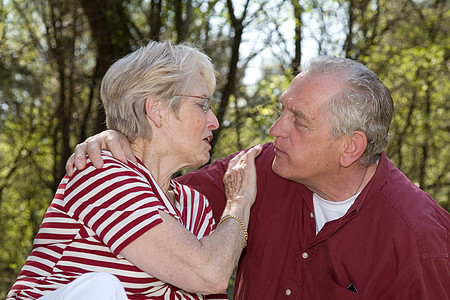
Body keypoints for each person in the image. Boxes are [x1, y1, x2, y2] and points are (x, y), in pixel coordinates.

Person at [65, 56, 450, 299]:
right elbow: (154, 196)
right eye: (282, 110)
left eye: (297, 121)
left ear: (349, 147)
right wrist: (123, 140)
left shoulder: (419, 242)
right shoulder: (262, 168)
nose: (274, 128)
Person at [7, 40, 263, 300]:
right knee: (102, 289)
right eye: (202, 105)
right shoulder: (100, 173)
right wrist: (239, 202)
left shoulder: (194, 206)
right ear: (157, 110)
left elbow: (208, 283)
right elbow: (209, 273)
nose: (214, 121)